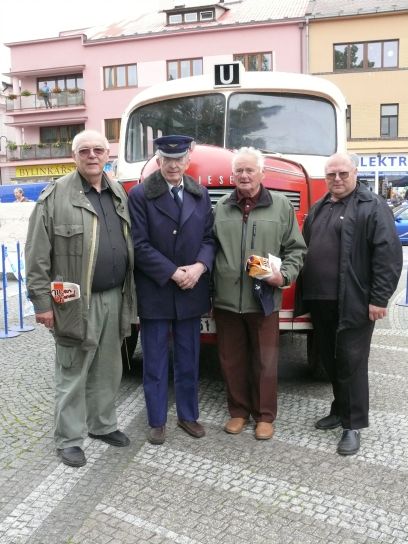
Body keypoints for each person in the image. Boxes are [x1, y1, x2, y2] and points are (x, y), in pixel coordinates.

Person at [25, 129, 137, 468]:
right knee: (73, 369)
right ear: (74, 157)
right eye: (84, 151)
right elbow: (36, 256)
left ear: (107, 155)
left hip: (113, 297)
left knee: (108, 366)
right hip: (73, 303)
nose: (92, 156)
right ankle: (69, 439)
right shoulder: (55, 196)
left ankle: (102, 425)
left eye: (98, 150)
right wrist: (43, 305)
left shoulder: (117, 191)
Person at [298, 152, 402, 455]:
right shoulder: (320, 207)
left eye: (343, 173)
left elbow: (388, 256)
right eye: (331, 174)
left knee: (351, 363)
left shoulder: (372, 206)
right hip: (321, 301)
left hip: (354, 301)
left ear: (355, 173)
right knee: (330, 360)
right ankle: (339, 408)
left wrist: (379, 298)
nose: (337, 179)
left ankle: (352, 425)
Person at [212, 147, 306, 440]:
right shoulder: (222, 208)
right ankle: (238, 412)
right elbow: (209, 248)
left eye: (249, 170)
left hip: (264, 299)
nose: (243, 175)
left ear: (261, 174)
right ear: (233, 175)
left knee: (265, 360)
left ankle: (265, 416)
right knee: (232, 359)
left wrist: (284, 275)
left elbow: (296, 250)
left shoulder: (280, 206)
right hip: (227, 301)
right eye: (238, 170)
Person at [128, 134, 216, 445]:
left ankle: (188, 416)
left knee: (189, 358)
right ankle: (156, 420)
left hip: (191, 288)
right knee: (154, 361)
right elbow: (138, 244)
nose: (174, 165)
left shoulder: (200, 194)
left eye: (179, 159)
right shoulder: (140, 195)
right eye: (167, 159)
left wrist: (199, 267)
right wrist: (172, 272)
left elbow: (209, 239)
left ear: (188, 160)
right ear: (158, 160)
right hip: (157, 289)